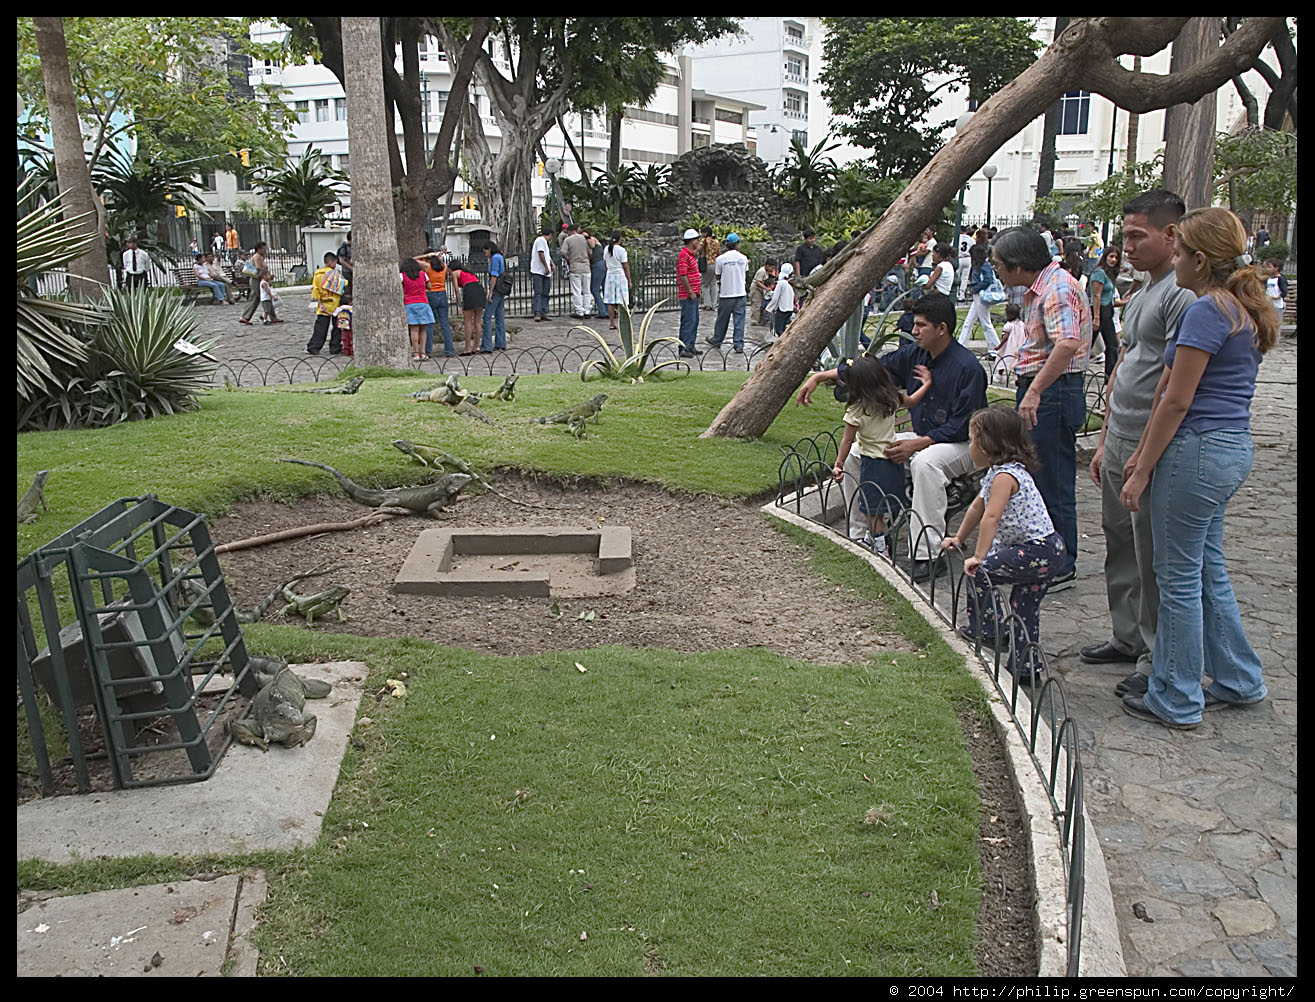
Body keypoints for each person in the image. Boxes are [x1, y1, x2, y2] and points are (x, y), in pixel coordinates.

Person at [1117, 206, 1277, 729]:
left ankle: (1177, 695)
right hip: (1229, 447)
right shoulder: (1241, 307)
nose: (1176, 259)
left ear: (1201, 259)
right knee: (1206, 568)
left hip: (1197, 450)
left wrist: (1143, 467)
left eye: (1182, 250)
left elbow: (1177, 399)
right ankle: (1238, 677)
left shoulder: (1207, 310)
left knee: (1178, 577)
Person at [1082, 189, 1196, 690]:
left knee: (1151, 555)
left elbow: (1173, 384)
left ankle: (1153, 655)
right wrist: (1106, 436)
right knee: (1120, 542)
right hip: (1120, 436)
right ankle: (1126, 636)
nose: (1126, 246)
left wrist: (1145, 457)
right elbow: (1126, 363)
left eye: (1136, 236)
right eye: (1124, 236)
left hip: (1150, 443)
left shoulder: (1180, 294)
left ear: (1171, 234)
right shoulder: (1145, 290)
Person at [797, 293, 988, 582]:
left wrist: (918, 443)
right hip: (923, 436)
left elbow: (964, 425)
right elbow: (871, 370)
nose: (914, 330)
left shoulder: (967, 368)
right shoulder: (914, 355)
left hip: (963, 445)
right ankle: (863, 535)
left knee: (926, 463)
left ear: (942, 328)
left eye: (921, 325)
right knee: (856, 453)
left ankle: (928, 554)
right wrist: (821, 376)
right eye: (915, 324)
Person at [991, 225, 1092, 589]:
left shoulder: (1057, 288)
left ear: (1018, 264)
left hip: (1053, 393)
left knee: (1054, 479)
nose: (996, 271)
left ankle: (1061, 564)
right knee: (1040, 475)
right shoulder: (1042, 288)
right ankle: (1046, 557)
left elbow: (1067, 343)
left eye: (999, 264)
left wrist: (1035, 391)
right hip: (1045, 390)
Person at [943, 406, 1065, 683]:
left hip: (1037, 550)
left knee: (979, 574)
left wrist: (979, 557)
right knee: (1024, 607)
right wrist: (959, 537)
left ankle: (989, 630)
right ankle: (1026, 667)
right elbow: (976, 508)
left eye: (972, 440)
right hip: (1050, 550)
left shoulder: (1004, 477)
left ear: (988, 445)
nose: (970, 446)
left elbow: (991, 516)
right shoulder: (997, 473)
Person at [833, 356, 933, 555]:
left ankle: (879, 548)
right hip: (893, 461)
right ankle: (875, 540)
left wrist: (839, 463)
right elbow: (913, 400)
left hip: (872, 463)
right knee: (882, 505)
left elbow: (847, 440)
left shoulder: (857, 410)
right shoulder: (892, 399)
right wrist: (927, 384)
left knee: (871, 510)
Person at [708, 233, 750, 353]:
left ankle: (717, 340)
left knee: (722, 319)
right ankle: (738, 344)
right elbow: (745, 273)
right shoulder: (743, 258)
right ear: (737, 244)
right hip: (740, 293)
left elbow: (717, 275)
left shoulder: (720, 259)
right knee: (739, 320)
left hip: (726, 294)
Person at [1089, 245, 1125, 378]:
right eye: (1111, 256)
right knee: (1088, 344)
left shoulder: (1110, 274)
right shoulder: (1100, 273)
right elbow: (1096, 296)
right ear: (1105, 257)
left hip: (1108, 310)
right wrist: (1096, 317)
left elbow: (1110, 298)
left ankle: (1110, 375)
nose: (1113, 260)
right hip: (1098, 311)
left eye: (1116, 258)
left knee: (1113, 344)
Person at [960, 244, 1000, 355]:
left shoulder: (983, 265)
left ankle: (995, 349)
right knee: (968, 322)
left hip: (980, 295)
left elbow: (988, 280)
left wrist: (976, 288)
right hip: (978, 295)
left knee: (985, 323)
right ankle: (962, 345)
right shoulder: (982, 264)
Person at [307, 252, 343, 354]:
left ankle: (314, 347)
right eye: (335, 263)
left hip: (323, 304)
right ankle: (335, 347)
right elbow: (342, 286)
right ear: (331, 262)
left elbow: (315, 291)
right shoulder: (335, 274)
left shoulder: (318, 274)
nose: (335, 265)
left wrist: (320, 303)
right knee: (337, 328)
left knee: (320, 328)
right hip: (335, 304)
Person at [400, 256, 434, 361]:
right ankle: (423, 353)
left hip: (409, 303)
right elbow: (430, 286)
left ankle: (416, 353)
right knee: (423, 329)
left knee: (413, 330)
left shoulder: (402, 275)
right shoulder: (423, 274)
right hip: (423, 302)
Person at [675, 228, 703, 358]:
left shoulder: (690, 255)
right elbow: (683, 275)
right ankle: (684, 347)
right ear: (692, 241)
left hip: (694, 294)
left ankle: (691, 345)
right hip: (688, 295)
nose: (698, 242)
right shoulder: (684, 255)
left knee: (694, 320)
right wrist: (690, 291)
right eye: (697, 240)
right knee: (688, 321)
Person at [422, 253, 455, 357]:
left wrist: (425, 256)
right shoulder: (444, 267)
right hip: (442, 293)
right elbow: (442, 261)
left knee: (429, 323)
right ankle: (449, 350)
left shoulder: (428, 267)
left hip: (430, 294)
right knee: (444, 324)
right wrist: (438, 256)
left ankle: (428, 351)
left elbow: (413, 260)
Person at [602, 229, 631, 331]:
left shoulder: (606, 249)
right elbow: (625, 266)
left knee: (611, 301)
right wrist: (629, 280)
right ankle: (622, 322)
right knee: (622, 301)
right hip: (620, 276)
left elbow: (605, 262)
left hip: (610, 276)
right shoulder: (621, 250)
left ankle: (611, 323)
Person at [561, 223, 592, 319]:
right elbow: (590, 252)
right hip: (586, 267)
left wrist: (568, 259)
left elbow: (563, 252)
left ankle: (579, 311)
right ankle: (587, 310)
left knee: (577, 290)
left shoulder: (568, 240)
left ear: (570, 231)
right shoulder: (584, 238)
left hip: (575, 267)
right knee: (587, 291)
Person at [481, 242, 507, 352]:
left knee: (487, 317)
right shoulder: (499, 257)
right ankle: (501, 342)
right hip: (501, 290)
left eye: (486, 252)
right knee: (499, 317)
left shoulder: (495, 258)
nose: (485, 254)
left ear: (490, 249)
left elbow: (494, 275)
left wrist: (490, 291)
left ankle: (486, 345)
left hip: (496, 289)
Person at [454, 264, 486, 355]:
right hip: (479, 290)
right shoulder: (469, 273)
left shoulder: (455, 272)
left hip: (470, 291)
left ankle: (468, 348)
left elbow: (456, 289)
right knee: (477, 321)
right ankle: (477, 346)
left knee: (467, 321)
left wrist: (459, 303)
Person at [994, 303, 1027, 380]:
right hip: (1019, 345)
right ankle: (1018, 376)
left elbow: (1005, 337)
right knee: (1018, 360)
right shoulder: (1021, 323)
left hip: (1009, 347)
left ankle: (999, 376)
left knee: (1002, 359)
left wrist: (999, 346)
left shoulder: (1008, 325)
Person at [238, 242, 268, 324]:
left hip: (259, 279)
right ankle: (245, 317)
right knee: (256, 297)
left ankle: (269, 315)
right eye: (264, 249)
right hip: (256, 279)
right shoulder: (257, 256)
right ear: (259, 249)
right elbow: (258, 267)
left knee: (261, 298)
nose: (265, 250)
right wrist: (265, 273)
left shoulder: (260, 257)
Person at [765, 262, 796, 338]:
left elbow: (776, 297)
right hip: (789, 309)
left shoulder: (781, 283)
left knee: (779, 329)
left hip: (782, 309)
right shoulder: (790, 283)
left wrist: (769, 308)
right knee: (783, 327)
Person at [530, 223, 554, 322]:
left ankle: (543, 311)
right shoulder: (540, 240)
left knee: (545, 293)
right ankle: (537, 312)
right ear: (549, 235)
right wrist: (546, 266)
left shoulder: (544, 243)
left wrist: (551, 264)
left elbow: (547, 255)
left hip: (544, 272)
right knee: (539, 292)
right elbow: (541, 253)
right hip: (538, 271)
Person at [586, 229, 607, 319]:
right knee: (604, 288)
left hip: (597, 265)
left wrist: (586, 237)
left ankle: (603, 311)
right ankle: (607, 310)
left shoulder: (592, 239)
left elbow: (592, 245)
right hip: (601, 264)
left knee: (594, 289)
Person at [697, 226, 720, 310]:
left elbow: (698, 249)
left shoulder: (703, 241)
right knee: (713, 284)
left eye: (702, 232)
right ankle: (714, 304)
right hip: (715, 263)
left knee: (704, 284)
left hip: (707, 264)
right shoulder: (716, 241)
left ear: (706, 233)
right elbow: (718, 253)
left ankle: (707, 304)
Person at [1261, 256, 1288, 325]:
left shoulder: (1280, 279)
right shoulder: (1269, 279)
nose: (1267, 269)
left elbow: (1284, 292)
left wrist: (1274, 297)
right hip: (1269, 304)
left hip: (1277, 305)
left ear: (1276, 268)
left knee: (1276, 323)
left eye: (1269, 267)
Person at [751, 259, 778, 326]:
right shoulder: (762, 271)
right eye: (772, 268)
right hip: (756, 289)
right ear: (767, 266)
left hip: (761, 290)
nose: (773, 269)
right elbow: (758, 282)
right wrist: (766, 288)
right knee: (757, 305)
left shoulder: (767, 272)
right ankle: (755, 320)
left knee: (761, 305)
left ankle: (760, 320)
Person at [957, 226, 974, 302]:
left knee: (957, 276)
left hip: (959, 257)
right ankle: (962, 295)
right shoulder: (970, 239)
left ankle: (957, 294)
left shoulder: (957, 238)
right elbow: (974, 248)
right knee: (965, 278)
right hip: (967, 258)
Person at [336, 231, 353, 297]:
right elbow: (341, 261)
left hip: (351, 272)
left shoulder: (351, 247)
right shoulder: (344, 248)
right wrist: (351, 268)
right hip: (347, 272)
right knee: (348, 290)